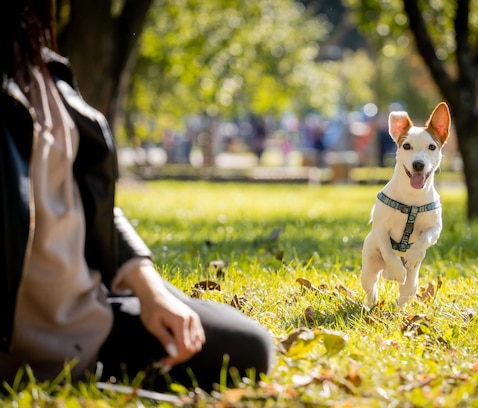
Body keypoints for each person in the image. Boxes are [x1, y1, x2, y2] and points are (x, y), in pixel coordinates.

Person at [0, 0, 274, 392]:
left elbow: (88, 201)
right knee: (240, 350)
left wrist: (148, 288)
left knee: (246, 345)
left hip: (90, 309)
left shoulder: (44, 71)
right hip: (34, 343)